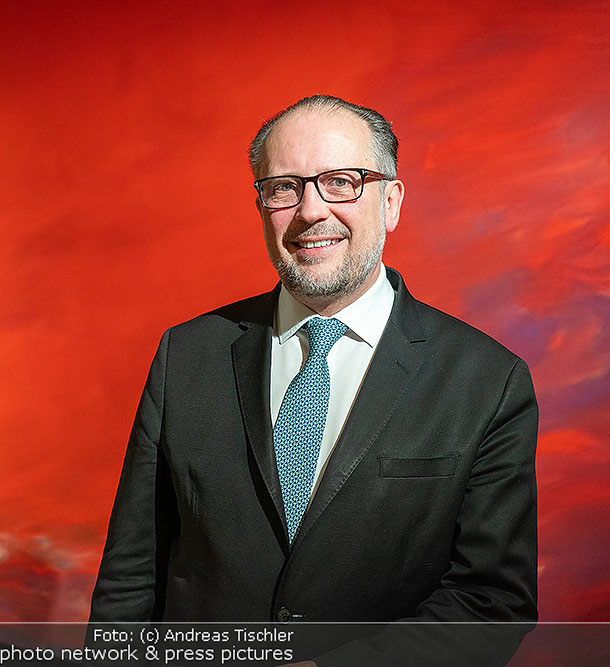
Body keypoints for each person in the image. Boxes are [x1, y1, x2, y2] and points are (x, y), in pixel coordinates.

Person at [89, 95, 538, 665]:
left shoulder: (488, 381)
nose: (310, 211)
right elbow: (131, 576)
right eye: (284, 188)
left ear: (391, 202)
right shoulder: (188, 354)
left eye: (341, 182)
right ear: (261, 207)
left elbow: (491, 603)